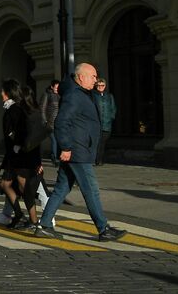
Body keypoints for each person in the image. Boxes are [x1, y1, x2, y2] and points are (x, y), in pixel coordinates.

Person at [34, 63, 127, 242]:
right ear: (81, 77)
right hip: (77, 151)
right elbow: (61, 122)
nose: (95, 79)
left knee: (61, 189)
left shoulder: (81, 93)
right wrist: (67, 147)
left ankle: (44, 225)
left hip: (79, 149)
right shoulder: (74, 95)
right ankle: (103, 229)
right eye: (92, 76)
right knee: (91, 190)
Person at [0, 80, 43, 229]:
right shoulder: (11, 108)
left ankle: (34, 221)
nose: (1, 94)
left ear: (8, 93)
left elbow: (25, 133)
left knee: (25, 187)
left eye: (3, 91)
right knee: (5, 184)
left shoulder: (16, 109)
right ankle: (19, 214)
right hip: (13, 155)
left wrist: (15, 139)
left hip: (21, 155)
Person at [93, 78, 116, 166]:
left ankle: (100, 159)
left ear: (105, 86)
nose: (100, 87)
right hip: (97, 124)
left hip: (107, 123)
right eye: (98, 85)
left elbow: (113, 108)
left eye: (102, 85)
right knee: (97, 142)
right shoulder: (93, 95)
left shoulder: (109, 96)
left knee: (103, 142)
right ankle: (97, 160)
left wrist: (111, 117)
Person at [40, 79, 61, 166]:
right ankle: (55, 157)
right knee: (54, 140)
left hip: (59, 122)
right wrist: (44, 120)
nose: (57, 89)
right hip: (50, 122)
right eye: (56, 87)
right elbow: (42, 108)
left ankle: (55, 156)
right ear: (52, 86)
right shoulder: (46, 95)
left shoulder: (60, 95)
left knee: (58, 140)